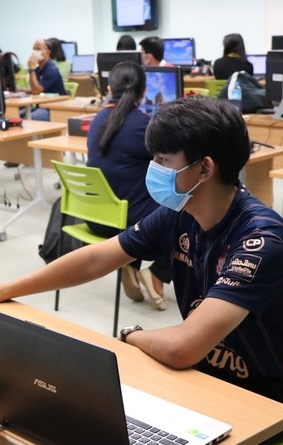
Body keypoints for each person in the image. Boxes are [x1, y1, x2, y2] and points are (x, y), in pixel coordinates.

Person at [0, 96, 283, 445]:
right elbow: (99, 258)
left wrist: (132, 335)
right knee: (83, 418)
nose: (152, 169)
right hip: (198, 370)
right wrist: (7, 289)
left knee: (122, 444)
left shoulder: (260, 240)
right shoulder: (180, 213)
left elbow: (182, 348)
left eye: (163, 160)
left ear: (204, 169)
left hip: (260, 391)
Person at [86, 62, 169, 310]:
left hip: (95, 217)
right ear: (143, 93)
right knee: (186, 206)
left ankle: (130, 262)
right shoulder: (144, 124)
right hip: (126, 222)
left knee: (132, 188)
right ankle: (157, 273)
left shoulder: (96, 119)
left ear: (109, 89)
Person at [25, 39, 67, 121]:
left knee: (27, 119)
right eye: (34, 49)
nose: (34, 52)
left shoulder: (52, 70)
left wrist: (31, 69)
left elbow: (36, 91)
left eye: (38, 49)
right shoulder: (38, 69)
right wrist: (20, 91)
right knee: (16, 115)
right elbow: (34, 89)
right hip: (40, 106)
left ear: (48, 52)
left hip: (52, 108)